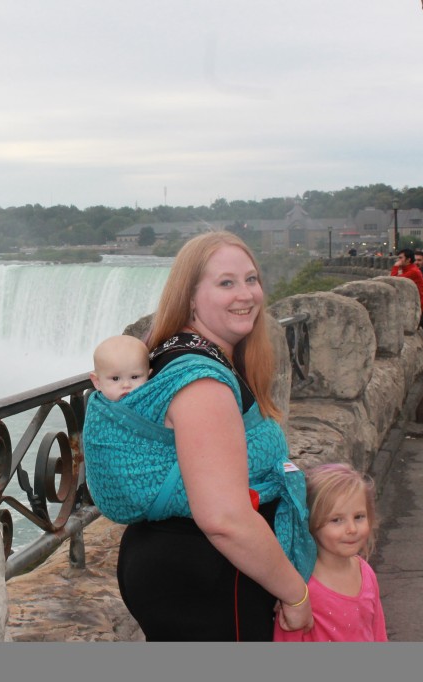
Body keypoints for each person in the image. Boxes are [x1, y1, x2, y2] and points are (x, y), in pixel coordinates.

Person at [83, 231, 316, 641]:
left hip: (186, 567)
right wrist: (295, 595)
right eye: (226, 282)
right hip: (211, 577)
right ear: (190, 296)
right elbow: (224, 518)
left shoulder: (175, 352)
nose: (246, 294)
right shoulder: (202, 383)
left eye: (251, 279)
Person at [273, 463, 388, 642]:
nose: (351, 529)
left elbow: (378, 632)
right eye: (336, 520)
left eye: (359, 517)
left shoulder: (365, 572)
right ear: (311, 522)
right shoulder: (300, 589)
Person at [390, 248, 423, 353]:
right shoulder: (407, 269)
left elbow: (394, 281)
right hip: (421, 305)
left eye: (401, 258)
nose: (398, 260)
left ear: (408, 260)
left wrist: (395, 267)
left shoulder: (413, 271)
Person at [89, 334, 150, 401]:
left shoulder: (152, 399)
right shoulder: (97, 408)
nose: (126, 385)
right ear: (97, 382)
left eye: (134, 377)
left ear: (149, 376)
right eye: (115, 378)